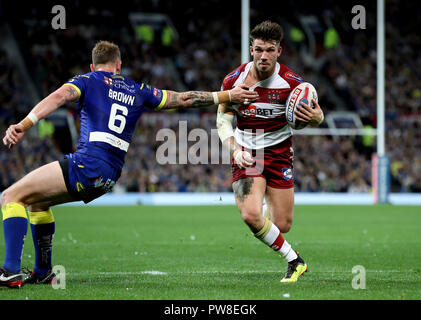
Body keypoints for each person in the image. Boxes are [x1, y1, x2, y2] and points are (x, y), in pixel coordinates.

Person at [0, 40, 258, 288]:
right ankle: (44, 273)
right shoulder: (139, 89)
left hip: (88, 163)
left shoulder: (87, 80)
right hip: (109, 175)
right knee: (37, 202)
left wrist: (24, 124)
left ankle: (10, 271)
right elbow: (184, 99)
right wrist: (227, 95)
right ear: (119, 65)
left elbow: (59, 96)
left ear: (93, 67)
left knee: (11, 196)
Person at [217, 21, 324, 282]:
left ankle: (261, 216)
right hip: (248, 152)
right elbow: (222, 121)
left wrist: (316, 117)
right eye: (259, 49)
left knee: (282, 224)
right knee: (250, 215)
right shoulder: (234, 81)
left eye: (270, 50)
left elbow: (317, 116)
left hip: (279, 153)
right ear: (251, 49)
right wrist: (235, 150)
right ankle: (294, 260)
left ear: (279, 51)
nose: (264, 55)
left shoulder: (292, 84)